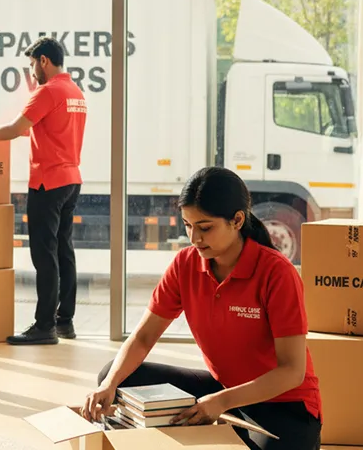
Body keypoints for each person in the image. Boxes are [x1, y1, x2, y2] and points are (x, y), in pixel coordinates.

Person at [81, 167, 322, 450]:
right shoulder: (185, 264)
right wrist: (108, 385)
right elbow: (144, 337)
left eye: (205, 227)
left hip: (283, 404)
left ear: (237, 220)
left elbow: (292, 371)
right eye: (187, 225)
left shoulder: (276, 273)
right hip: (222, 391)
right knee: (118, 375)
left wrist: (221, 402)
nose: (194, 238)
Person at [0, 36, 86, 345]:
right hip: (71, 179)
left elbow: (16, 128)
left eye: (32, 65)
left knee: (45, 255)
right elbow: (38, 127)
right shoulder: (74, 91)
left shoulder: (49, 91)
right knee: (64, 251)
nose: (31, 73)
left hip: (48, 182)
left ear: (44, 60)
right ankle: (64, 320)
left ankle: (44, 327)